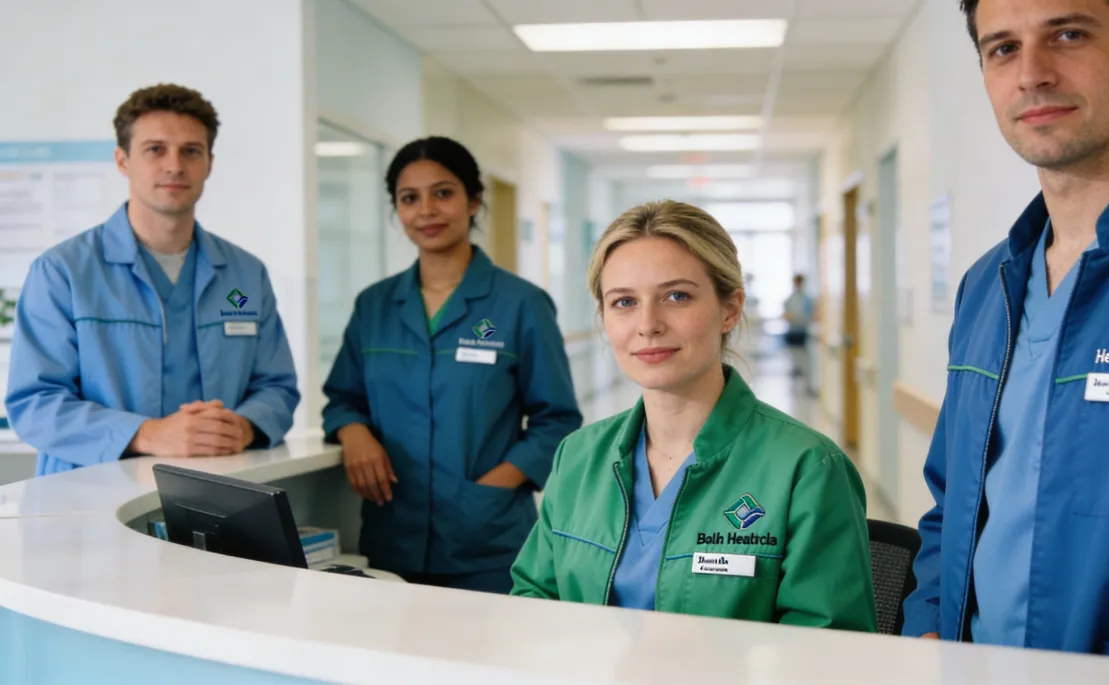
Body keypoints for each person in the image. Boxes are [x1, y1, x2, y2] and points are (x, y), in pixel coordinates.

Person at [904, 0, 1109, 662]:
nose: (1031, 73)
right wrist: (927, 624)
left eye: (1067, 34)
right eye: (1003, 48)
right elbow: (951, 505)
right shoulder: (989, 287)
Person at [510, 200, 876, 631]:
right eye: (624, 302)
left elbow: (828, 657)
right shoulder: (578, 457)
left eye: (676, 296)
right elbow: (533, 604)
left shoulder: (807, 469)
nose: (648, 324)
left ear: (730, 309)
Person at [321, 136, 582, 594]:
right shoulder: (375, 306)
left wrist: (494, 486)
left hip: (487, 539)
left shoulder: (521, 304)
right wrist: (353, 432)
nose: (426, 210)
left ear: (474, 200)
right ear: (396, 210)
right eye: (409, 198)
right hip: (392, 535)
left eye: (443, 192)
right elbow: (343, 398)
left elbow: (557, 419)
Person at [5, 84, 300, 476]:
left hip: (218, 492)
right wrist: (146, 434)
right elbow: (35, 402)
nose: (174, 165)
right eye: (155, 149)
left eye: (191, 151)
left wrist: (243, 428)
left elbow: (277, 386)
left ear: (210, 163)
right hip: (93, 500)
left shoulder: (245, 274)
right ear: (123, 160)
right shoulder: (63, 272)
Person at [782, 274, 814, 382]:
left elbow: (812, 317)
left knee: (804, 360)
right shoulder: (789, 300)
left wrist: (796, 318)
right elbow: (785, 316)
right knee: (793, 359)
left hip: (803, 332)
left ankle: (804, 382)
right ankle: (796, 380)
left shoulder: (808, 299)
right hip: (792, 332)